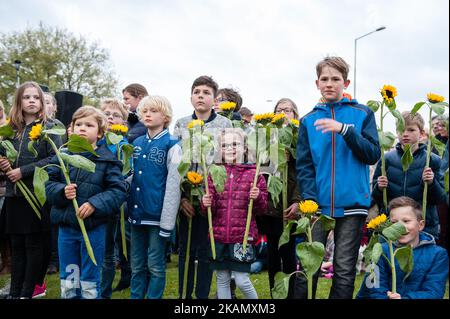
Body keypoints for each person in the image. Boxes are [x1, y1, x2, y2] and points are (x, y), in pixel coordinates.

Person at [295, 56, 381, 299]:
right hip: (318, 207)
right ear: (317, 83)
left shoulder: (362, 113)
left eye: (336, 79)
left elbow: (372, 154)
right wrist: (309, 201)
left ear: (346, 82)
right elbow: (304, 166)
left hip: (353, 203)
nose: (329, 83)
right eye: (325, 79)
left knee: (344, 270)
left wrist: (344, 130)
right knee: (305, 269)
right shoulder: (308, 120)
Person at [45, 106, 127, 299]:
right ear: (71, 129)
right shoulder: (62, 156)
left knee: (89, 278)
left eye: (89, 125)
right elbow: (49, 184)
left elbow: (117, 191)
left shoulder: (108, 160)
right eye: (78, 124)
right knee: (70, 277)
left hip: (93, 230)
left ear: (99, 133)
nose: (82, 128)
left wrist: (94, 204)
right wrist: (61, 191)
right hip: (67, 230)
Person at [0, 82, 63, 299]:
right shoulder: (11, 130)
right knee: (16, 245)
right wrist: (4, 165)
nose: (32, 101)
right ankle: (15, 292)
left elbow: (55, 158)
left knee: (33, 245)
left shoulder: (50, 127)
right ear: (19, 101)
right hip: (13, 195)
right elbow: (4, 160)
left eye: (36, 97)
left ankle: (28, 292)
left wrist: (23, 171)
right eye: (26, 97)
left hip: (36, 195)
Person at [173, 75, 232, 299]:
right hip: (188, 193)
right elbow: (175, 162)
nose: (201, 96)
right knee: (186, 250)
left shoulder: (224, 124)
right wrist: (182, 198)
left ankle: (202, 296)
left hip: (211, 195)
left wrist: (217, 194)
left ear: (214, 99)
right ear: (191, 98)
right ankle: (184, 296)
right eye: (197, 92)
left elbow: (228, 161)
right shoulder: (181, 123)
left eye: (206, 93)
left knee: (206, 250)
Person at [202, 129, 268, 299]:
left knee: (241, 280)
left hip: (242, 237)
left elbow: (262, 209)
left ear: (244, 148)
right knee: (222, 278)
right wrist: (206, 203)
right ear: (220, 150)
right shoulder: (214, 173)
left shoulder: (254, 174)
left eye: (235, 144)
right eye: (225, 145)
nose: (230, 148)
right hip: (218, 235)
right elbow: (210, 211)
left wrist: (258, 196)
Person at [128, 95, 181, 299]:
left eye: (154, 111)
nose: (148, 114)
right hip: (136, 213)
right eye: (144, 111)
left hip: (157, 216)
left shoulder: (173, 144)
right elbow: (130, 175)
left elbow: (173, 185)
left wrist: (167, 222)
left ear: (165, 116)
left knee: (155, 265)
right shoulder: (137, 142)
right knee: (137, 264)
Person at [356, 196, 449, 299]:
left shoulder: (438, 255)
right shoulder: (379, 251)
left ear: (420, 225)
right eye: (394, 222)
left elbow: (434, 292)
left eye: (406, 221)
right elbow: (372, 286)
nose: (399, 227)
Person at [372, 111, 446, 240]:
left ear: (422, 133)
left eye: (411, 130)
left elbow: (440, 199)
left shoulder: (432, 160)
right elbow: (377, 199)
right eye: (401, 130)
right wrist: (379, 187)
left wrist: (431, 183)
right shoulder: (386, 160)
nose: (405, 134)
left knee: (421, 259)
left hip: (424, 225)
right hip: (392, 225)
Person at [256, 98, 301, 298]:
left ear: (295, 114)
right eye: (279, 110)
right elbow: (260, 167)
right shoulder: (266, 138)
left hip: (289, 203)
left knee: (289, 253)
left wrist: (297, 201)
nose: (283, 114)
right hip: (271, 205)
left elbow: (304, 172)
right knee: (273, 252)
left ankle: (290, 293)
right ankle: (275, 293)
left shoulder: (299, 138)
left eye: (288, 110)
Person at [98, 98, 132, 298]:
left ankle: (104, 291)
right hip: (92, 200)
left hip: (113, 204)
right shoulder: (95, 140)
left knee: (109, 250)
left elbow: (129, 172)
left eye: (116, 114)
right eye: (106, 113)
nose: (111, 117)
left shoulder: (124, 146)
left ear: (123, 122)